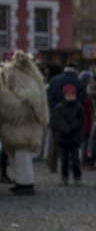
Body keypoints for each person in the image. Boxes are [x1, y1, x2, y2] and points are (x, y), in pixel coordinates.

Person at [0, 52, 49, 195]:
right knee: (15, 154)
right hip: (15, 126)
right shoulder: (26, 78)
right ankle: (20, 181)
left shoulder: (25, 82)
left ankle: (26, 183)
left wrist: (3, 99)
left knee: (22, 154)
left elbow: (26, 105)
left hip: (23, 126)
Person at [52, 84, 85, 186]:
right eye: (68, 94)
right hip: (63, 137)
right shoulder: (59, 107)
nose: (70, 96)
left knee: (75, 159)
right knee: (64, 160)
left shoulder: (79, 107)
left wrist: (72, 128)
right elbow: (59, 120)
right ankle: (64, 177)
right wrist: (66, 129)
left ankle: (77, 176)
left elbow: (80, 120)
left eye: (72, 94)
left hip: (74, 137)